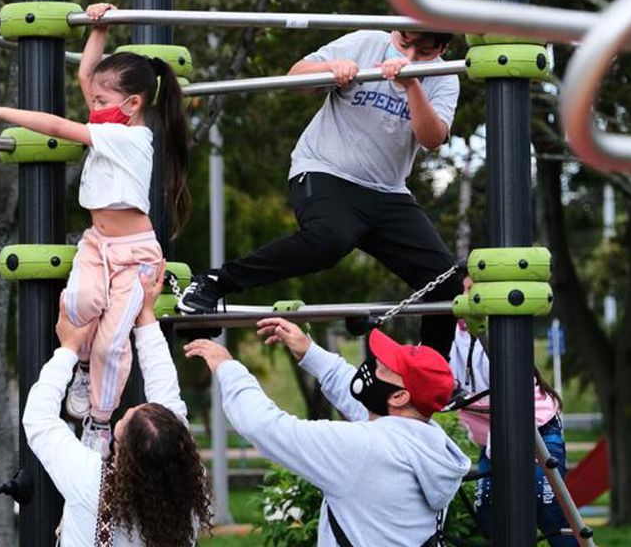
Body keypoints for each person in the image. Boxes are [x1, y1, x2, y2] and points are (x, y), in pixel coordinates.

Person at [0, 2, 190, 454]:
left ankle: (101, 424)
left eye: (102, 102)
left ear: (133, 104)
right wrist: (98, 29)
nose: (93, 105)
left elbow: (55, 124)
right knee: (80, 303)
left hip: (135, 255)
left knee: (111, 343)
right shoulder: (114, 119)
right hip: (97, 244)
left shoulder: (127, 136)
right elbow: (87, 75)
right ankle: (83, 370)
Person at [177, 29, 464, 356]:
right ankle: (216, 282)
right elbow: (295, 78)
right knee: (329, 240)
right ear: (396, 31)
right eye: (405, 45)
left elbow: (431, 138)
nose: (410, 57)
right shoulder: (364, 43)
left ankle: (430, 375)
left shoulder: (443, 76)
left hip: (388, 192)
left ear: (442, 48)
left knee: (447, 285)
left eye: (424, 52)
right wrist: (331, 69)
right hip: (325, 171)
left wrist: (411, 83)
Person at [184, 317, 470, 547]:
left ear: (398, 397)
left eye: (381, 368)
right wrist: (309, 352)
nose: (370, 368)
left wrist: (227, 367)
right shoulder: (427, 442)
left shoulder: (366, 449)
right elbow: (358, 401)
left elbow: (266, 427)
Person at [22, 260, 212, 547]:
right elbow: (165, 390)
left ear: (123, 455)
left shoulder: (91, 483)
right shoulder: (189, 497)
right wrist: (146, 315)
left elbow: (38, 420)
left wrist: (68, 349)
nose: (124, 413)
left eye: (120, 426)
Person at [451, 319, 578, 546]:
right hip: (492, 434)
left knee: (548, 508)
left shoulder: (487, 334)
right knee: (487, 508)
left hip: (536, 424)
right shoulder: (443, 336)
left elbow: (507, 393)